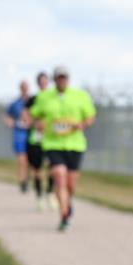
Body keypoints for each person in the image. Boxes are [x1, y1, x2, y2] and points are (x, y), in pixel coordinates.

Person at [29, 66, 97, 231]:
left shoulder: (80, 96)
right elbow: (34, 115)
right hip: (53, 144)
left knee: (71, 184)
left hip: (75, 144)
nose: (62, 80)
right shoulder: (45, 97)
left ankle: (67, 202)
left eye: (64, 77)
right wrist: (38, 124)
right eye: (59, 77)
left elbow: (90, 116)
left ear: (68, 78)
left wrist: (80, 124)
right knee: (59, 177)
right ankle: (64, 214)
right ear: (54, 79)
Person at [22, 71, 54, 211]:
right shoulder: (33, 99)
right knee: (38, 168)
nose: (43, 84)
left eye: (45, 81)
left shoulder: (54, 98)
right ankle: (40, 196)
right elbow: (25, 116)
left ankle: (50, 193)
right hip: (36, 138)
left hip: (53, 138)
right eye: (41, 81)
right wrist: (35, 123)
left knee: (53, 167)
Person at [4, 80, 32, 192]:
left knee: (29, 160)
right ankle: (22, 181)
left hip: (31, 134)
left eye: (26, 87)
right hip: (19, 134)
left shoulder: (33, 101)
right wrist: (10, 122)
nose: (24, 89)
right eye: (23, 87)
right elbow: (7, 116)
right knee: (21, 159)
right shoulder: (15, 103)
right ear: (20, 88)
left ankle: (26, 178)